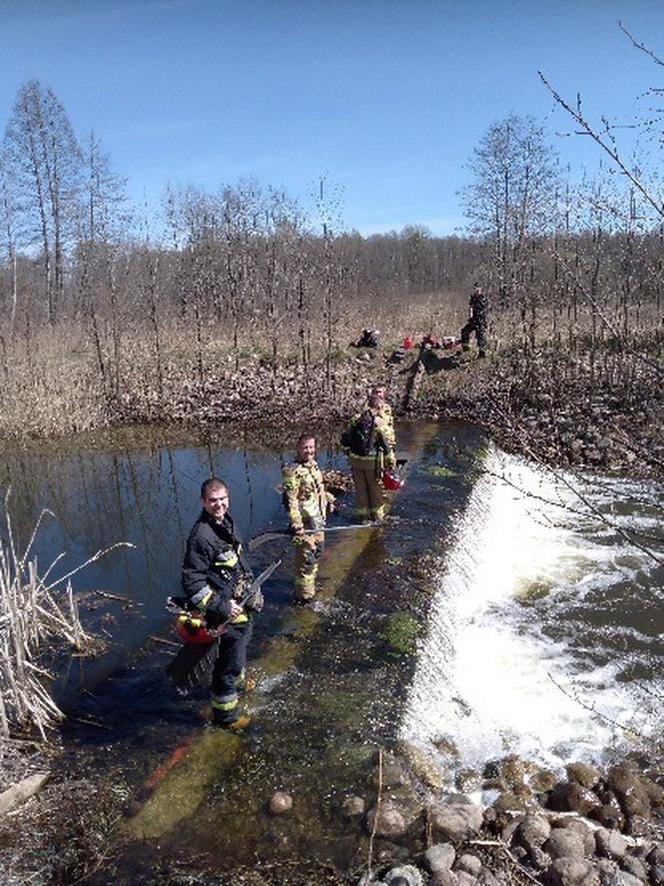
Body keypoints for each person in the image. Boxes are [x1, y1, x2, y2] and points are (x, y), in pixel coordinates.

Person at [181, 478, 260, 727]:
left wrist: (251, 587)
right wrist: (221, 607)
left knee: (237, 654)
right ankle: (226, 717)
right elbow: (192, 583)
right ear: (203, 502)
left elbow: (236, 560)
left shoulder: (225, 523)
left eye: (222, 499)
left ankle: (239, 683)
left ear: (229, 498)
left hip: (241, 606)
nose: (219, 504)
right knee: (226, 666)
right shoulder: (201, 536)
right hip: (225, 614)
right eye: (213, 500)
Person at [282, 434, 334, 602]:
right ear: (298, 448)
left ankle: (309, 587)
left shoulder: (314, 467)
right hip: (304, 525)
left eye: (311, 447)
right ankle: (303, 598)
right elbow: (292, 501)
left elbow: (317, 491)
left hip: (318, 521)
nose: (309, 451)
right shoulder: (292, 472)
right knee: (306, 561)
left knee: (317, 553)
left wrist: (328, 498)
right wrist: (297, 523)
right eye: (305, 447)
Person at [342, 385, 396, 523]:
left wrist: (348, 454)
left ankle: (363, 518)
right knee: (375, 492)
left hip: (356, 462)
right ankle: (377, 519)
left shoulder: (356, 419)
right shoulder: (379, 422)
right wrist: (390, 461)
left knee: (361, 492)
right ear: (378, 407)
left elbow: (344, 439)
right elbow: (388, 442)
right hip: (372, 463)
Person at [460, 283, 489, 357]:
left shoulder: (483, 299)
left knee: (480, 336)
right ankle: (466, 347)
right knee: (464, 331)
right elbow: (471, 308)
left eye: (478, 288)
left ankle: (482, 352)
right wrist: (470, 317)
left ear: (480, 289)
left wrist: (482, 320)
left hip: (480, 320)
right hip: (474, 320)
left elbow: (485, 310)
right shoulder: (473, 298)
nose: (476, 290)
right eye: (475, 288)